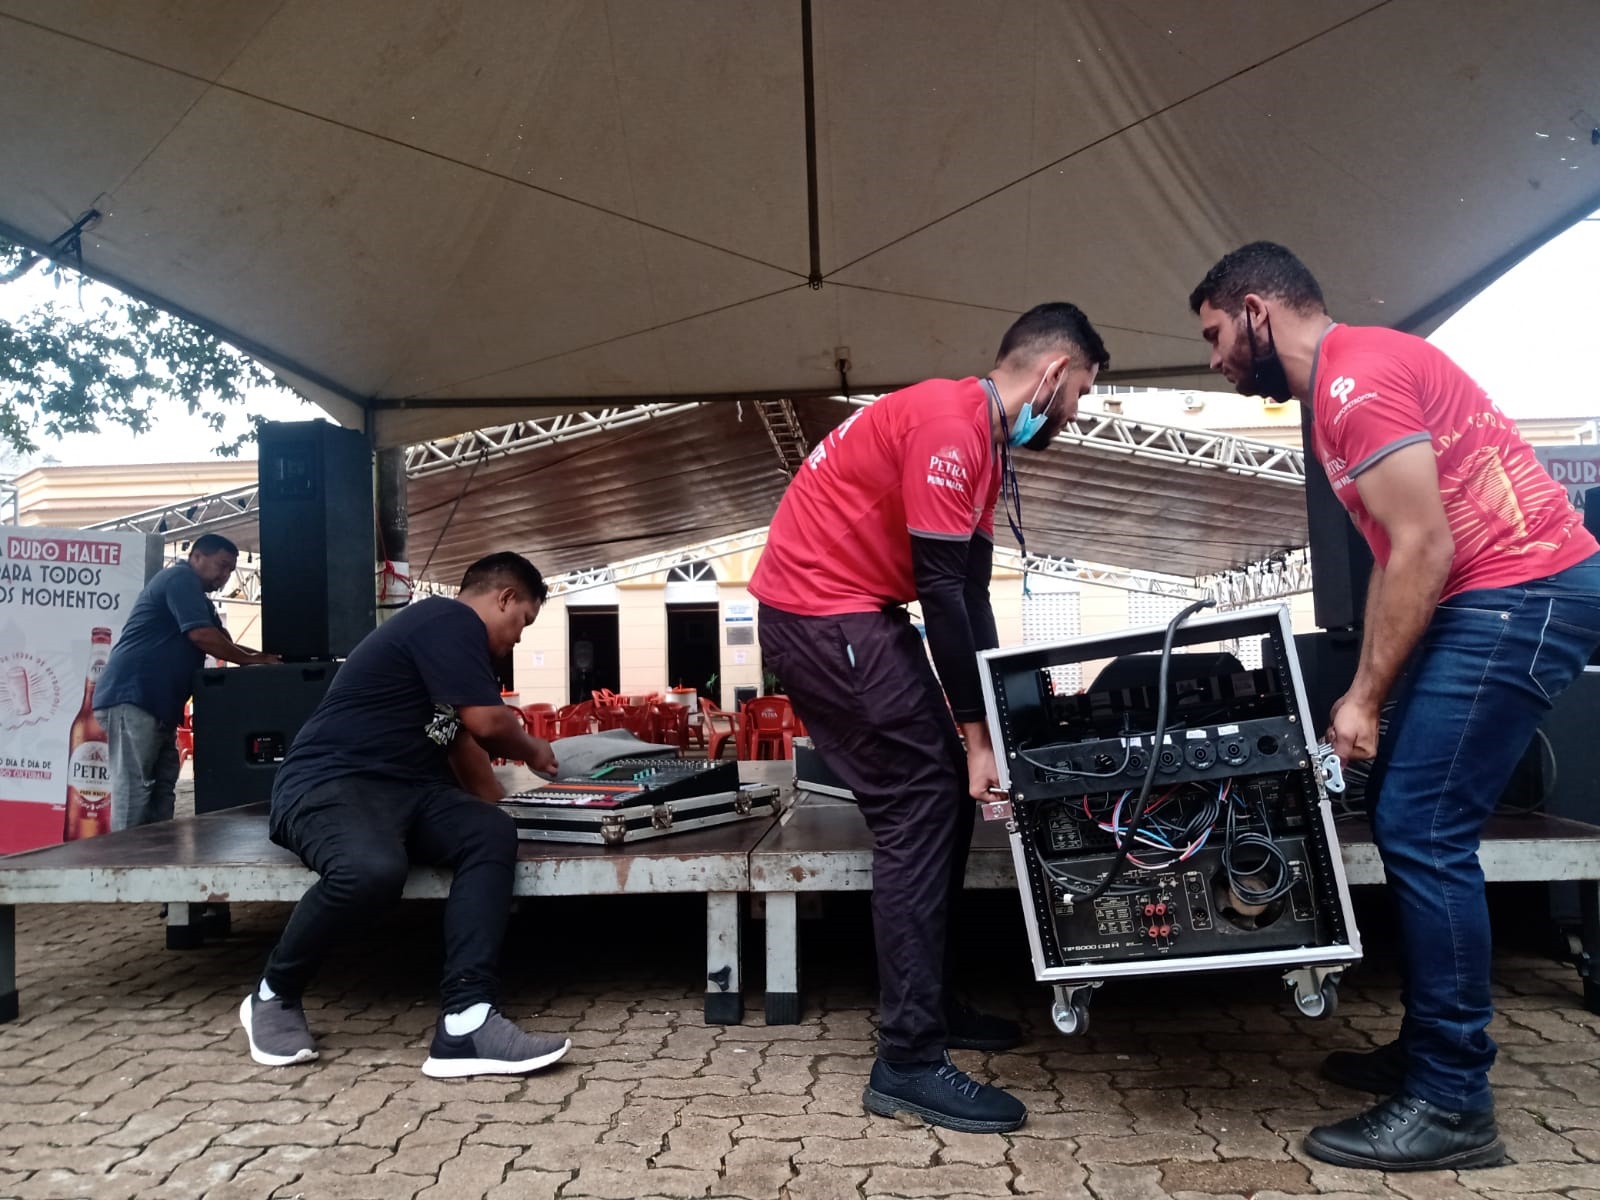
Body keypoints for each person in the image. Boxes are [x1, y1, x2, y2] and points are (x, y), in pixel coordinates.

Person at [1191, 241, 1600, 1172]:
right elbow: (1396, 557)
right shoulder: (1346, 383)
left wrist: (1367, 698)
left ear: (1258, 310)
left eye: (1216, 335)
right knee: (1406, 813)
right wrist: (1363, 686)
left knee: (1422, 825)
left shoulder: (1353, 382)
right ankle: (1430, 1056)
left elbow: (1422, 544)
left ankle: (1453, 1103)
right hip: (1497, 597)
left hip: (1520, 594)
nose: (1216, 359)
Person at [750, 302, 1109, 1134]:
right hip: (822, 612)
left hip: (855, 612)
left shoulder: (982, 447)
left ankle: (934, 1007)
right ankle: (908, 1061)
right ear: (1053, 372)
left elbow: (971, 598)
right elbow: (942, 598)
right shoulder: (950, 427)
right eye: (1081, 393)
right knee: (920, 800)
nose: (1076, 414)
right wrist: (976, 738)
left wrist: (992, 724)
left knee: (939, 795)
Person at [240, 551, 570, 1079]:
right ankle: (273, 994)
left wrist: (512, 819)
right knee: (372, 871)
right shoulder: (447, 618)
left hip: (409, 790)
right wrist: (533, 748)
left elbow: (462, 744)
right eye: (522, 621)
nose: (519, 638)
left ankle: (466, 1020)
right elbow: (486, 722)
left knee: (488, 833)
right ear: (504, 597)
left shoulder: (455, 651)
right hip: (331, 782)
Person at [94, 533, 279, 831]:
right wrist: (254, 660)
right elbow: (202, 637)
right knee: (135, 790)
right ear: (196, 558)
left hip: (157, 704)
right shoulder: (180, 579)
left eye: (231, 570)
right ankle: (123, 866)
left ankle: (151, 858)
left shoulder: (199, 599)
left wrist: (266, 658)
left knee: (162, 787)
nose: (225, 576)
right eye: (222, 566)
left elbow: (225, 642)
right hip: (132, 697)